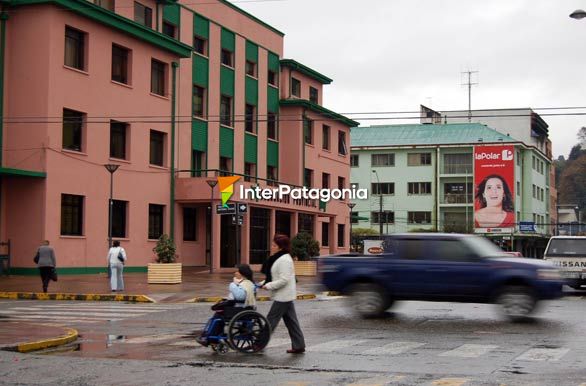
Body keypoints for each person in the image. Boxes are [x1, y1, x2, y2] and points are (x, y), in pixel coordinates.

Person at [261, 234, 306, 354]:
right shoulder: (279, 258)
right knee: (292, 322)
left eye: (274, 245)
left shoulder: (285, 260)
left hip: (283, 296)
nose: (272, 246)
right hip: (285, 295)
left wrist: (268, 285)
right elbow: (275, 277)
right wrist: (262, 283)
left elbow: (284, 279)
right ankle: (299, 345)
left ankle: (259, 344)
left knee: (271, 320)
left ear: (280, 247)